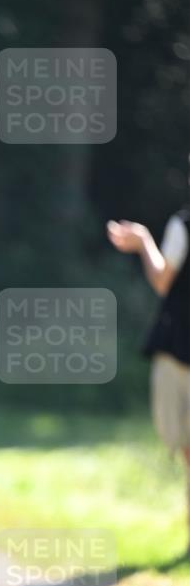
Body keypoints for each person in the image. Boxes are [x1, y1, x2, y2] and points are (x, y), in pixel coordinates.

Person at [106, 205, 190, 557]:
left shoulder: (184, 223)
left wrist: (142, 241)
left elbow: (162, 279)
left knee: (186, 443)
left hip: (181, 350)